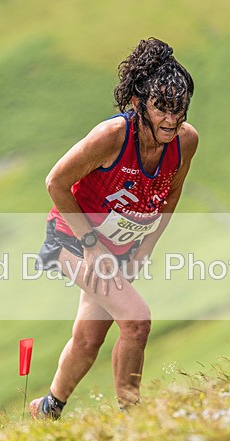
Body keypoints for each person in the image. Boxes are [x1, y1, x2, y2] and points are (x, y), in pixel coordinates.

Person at [30, 37, 198, 420]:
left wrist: (145, 249)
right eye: (162, 109)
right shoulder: (111, 137)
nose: (172, 120)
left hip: (121, 248)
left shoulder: (186, 141)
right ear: (139, 104)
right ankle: (132, 418)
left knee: (88, 341)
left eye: (180, 109)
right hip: (73, 240)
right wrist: (91, 245)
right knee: (136, 321)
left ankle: (46, 410)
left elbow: (171, 196)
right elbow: (56, 182)